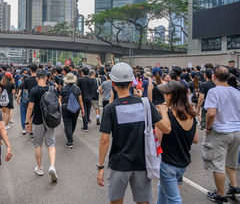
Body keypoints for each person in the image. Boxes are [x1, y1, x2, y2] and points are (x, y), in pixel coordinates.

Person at [97, 63, 171, 204]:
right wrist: (164, 111)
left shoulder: (110, 109)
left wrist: (100, 167)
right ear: (132, 82)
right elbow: (166, 129)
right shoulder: (145, 104)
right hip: (142, 163)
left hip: (118, 164)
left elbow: (104, 140)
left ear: (113, 83)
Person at [155, 81, 198, 204]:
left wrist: (161, 113)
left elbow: (157, 140)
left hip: (167, 163)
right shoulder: (191, 113)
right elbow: (195, 140)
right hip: (182, 162)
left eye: (165, 93)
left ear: (171, 96)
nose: (163, 95)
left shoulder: (165, 114)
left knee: (174, 199)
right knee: (162, 190)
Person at [203, 66, 240, 203]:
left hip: (221, 132)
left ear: (213, 76)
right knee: (231, 162)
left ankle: (221, 194)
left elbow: (211, 113)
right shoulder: (236, 92)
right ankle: (234, 187)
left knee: (218, 164)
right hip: (237, 131)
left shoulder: (214, 91)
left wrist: (208, 127)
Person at [25, 70, 58, 182]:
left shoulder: (34, 91)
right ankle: (52, 166)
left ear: (36, 79)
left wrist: (26, 122)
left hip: (38, 121)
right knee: (51, 143)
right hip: (50, 121)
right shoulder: (52, 89)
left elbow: (30, 108)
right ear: (46, 78)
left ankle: (39, 168)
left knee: (38, 144)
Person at [59, 73, 85, 148]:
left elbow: (60, 99)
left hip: (65, 107)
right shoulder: (77, 88)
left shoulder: (63, 88)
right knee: (73, 122)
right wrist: (82, 109)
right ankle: (70, 135)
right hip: (76, 108)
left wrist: (60, 106)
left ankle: (70, 141)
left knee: (67, 123)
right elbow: (80, 100)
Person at [77, 67, 93, 131]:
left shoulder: (80, 79)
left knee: (84, 111)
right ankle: (87, 121)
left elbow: (77, 88)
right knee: (88, 111)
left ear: (82, 72)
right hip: (89, 97)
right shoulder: (91, 79)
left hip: (83, 97)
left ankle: (85, 126)